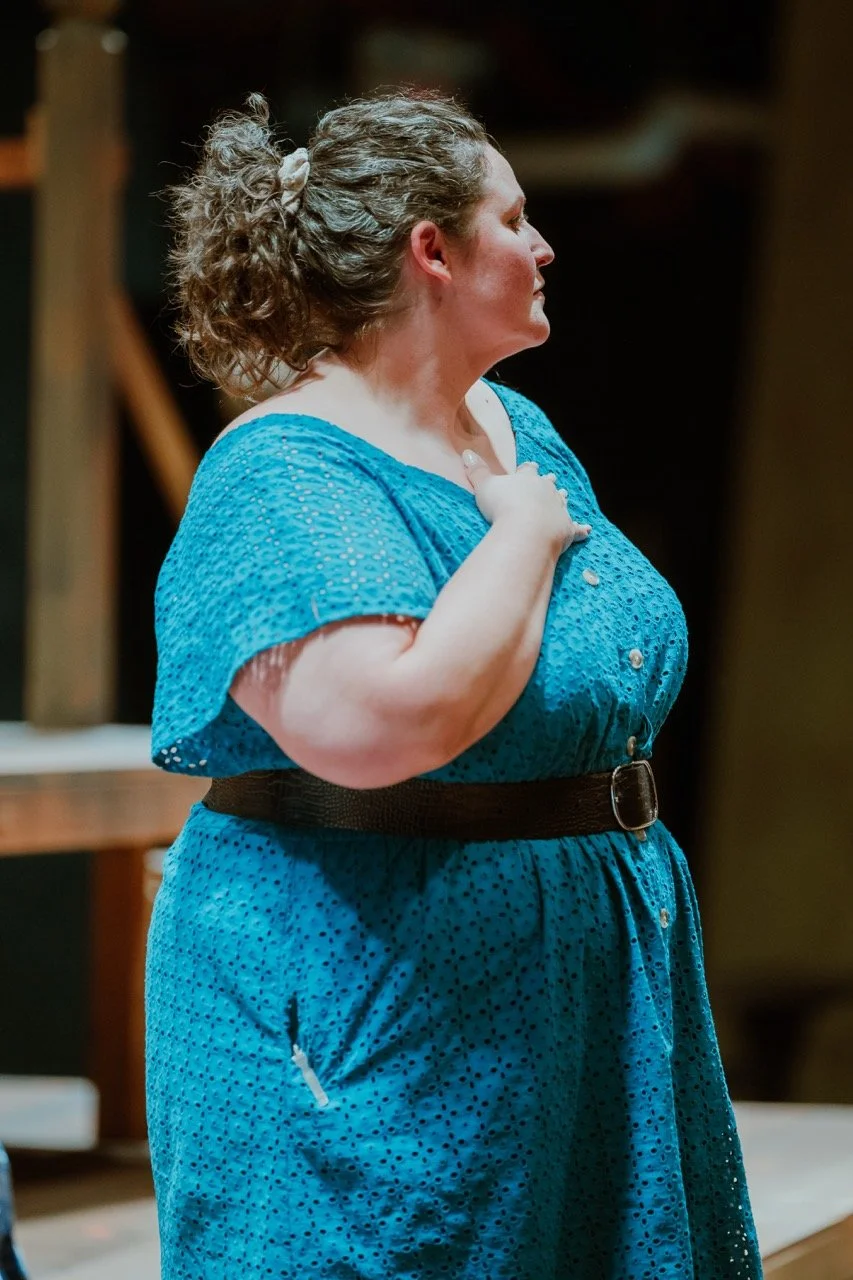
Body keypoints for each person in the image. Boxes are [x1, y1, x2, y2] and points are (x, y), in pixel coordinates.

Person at [145, 86, 763, 1279]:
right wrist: (522, 533)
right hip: (373, 1006)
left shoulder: (512, 424)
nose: (543, 245)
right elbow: (380, 725)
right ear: (431, 250)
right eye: (513, 219)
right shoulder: (284, 466)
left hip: (574, 986)